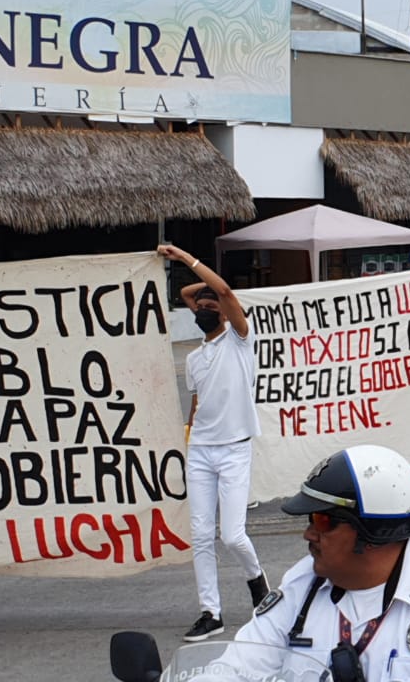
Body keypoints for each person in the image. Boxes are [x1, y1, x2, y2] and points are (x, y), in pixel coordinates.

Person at [232, 445, 410, 681]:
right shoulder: (300, 588)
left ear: (373, 533)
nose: (309, 533)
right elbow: (234, 667)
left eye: (323, 521)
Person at [157, 244, 269, 643]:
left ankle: (257, 582)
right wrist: (189, 436)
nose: (201, 308)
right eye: (198, 307)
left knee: (231, 535)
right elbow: (198, 402)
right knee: (201, 535)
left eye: (210, 305)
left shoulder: (239, 341)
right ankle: (212, 612)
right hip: (201, 450)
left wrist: (186, 259)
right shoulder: (195, 358)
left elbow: (224, 294)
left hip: (235, 448)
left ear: (222, 311)